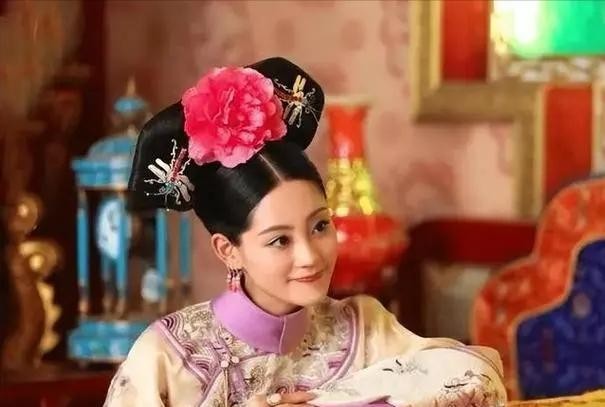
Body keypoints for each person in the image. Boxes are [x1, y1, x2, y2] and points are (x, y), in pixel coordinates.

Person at [104, 57, 505, 407]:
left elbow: (479, 381)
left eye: (319, 226)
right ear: (228, 250)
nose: (311, 255)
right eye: (280, 240)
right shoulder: (167, 357)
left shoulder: (364, 328)